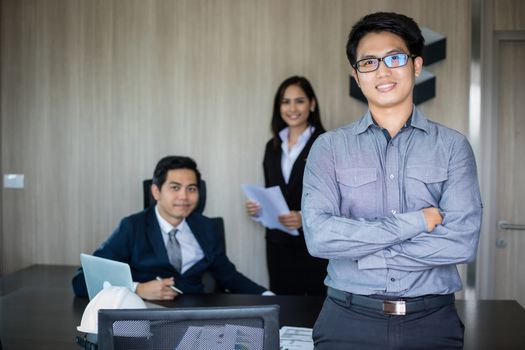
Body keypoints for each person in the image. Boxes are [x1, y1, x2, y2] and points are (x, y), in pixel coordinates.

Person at [302, 12, 482, 349]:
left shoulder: (453, 147)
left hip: (431, 322)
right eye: (369, 62)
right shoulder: (329, 148)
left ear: (416, 65)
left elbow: (461, 242)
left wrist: (364, 253)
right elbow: (320, 238)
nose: (382, 71)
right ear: (357, 76)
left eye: (395, 58)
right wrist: (419, 221)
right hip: (347, 319)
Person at [73, 155, 269, 300]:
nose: (184, 196)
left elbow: (230, 277)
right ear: (156, 191)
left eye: (191, 189)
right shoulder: (132, 227)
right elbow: (84, 280)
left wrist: (270, 296)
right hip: (146, 318)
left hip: (197, 317)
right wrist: (137, 288)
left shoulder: (207, 227)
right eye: (175, 188)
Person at [246, 76, 328, 296]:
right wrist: (259, 210)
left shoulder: (327, 143)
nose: (292, 108)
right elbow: (273, 193)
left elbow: (339, 199)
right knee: (283, 309)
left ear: (312, 104)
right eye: (285, 101)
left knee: (313, 311)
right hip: (277, 245)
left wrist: (304, 218)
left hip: (313, 247)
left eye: (299, 101)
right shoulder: (271, 147)